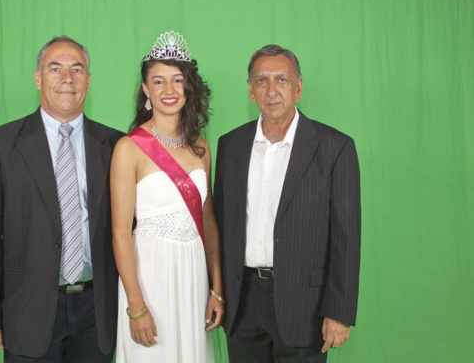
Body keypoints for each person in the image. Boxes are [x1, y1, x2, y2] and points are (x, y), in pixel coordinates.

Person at [0, 35, 123, 362]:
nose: (68, 78)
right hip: (28, 310)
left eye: (77, 69)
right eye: (56, 68)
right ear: (38, 78)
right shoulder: (1, 144)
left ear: (89, 82)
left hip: (97, 312)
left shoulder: (115, 146)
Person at [214, 44, 361, 362]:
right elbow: (221, 226)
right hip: (243, 301)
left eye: (281, 79)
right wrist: (216, 291)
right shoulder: (231, 146)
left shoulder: (335, 148)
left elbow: (346, 238)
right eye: (261, 81)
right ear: (250, 91)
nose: (272, 90)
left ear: (298, 87)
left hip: (305, 305)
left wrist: (339, 311)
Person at [111, 31, 224, 362]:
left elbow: (209, 222)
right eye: (158, 81)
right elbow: (119, 234)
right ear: (146, 89)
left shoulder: (202, 148)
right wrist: (135, 305)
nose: (169, 90)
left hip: (193, 276)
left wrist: (216, 289)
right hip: (149, 277)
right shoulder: (128, 149)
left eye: (177, 80)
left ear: (189, 86)